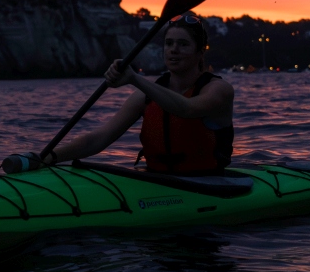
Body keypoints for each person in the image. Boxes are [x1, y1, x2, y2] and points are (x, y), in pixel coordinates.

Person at [41, 13, 234, 175]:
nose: (174, 49)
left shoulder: (218, 90)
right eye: (169, 43)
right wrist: (49, 157)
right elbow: (99, 138)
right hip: (156, 180)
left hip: (207, 181)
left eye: (183, 44)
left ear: (200, 52)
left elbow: (187, 108)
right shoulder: (144, 97)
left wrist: (134, 79)